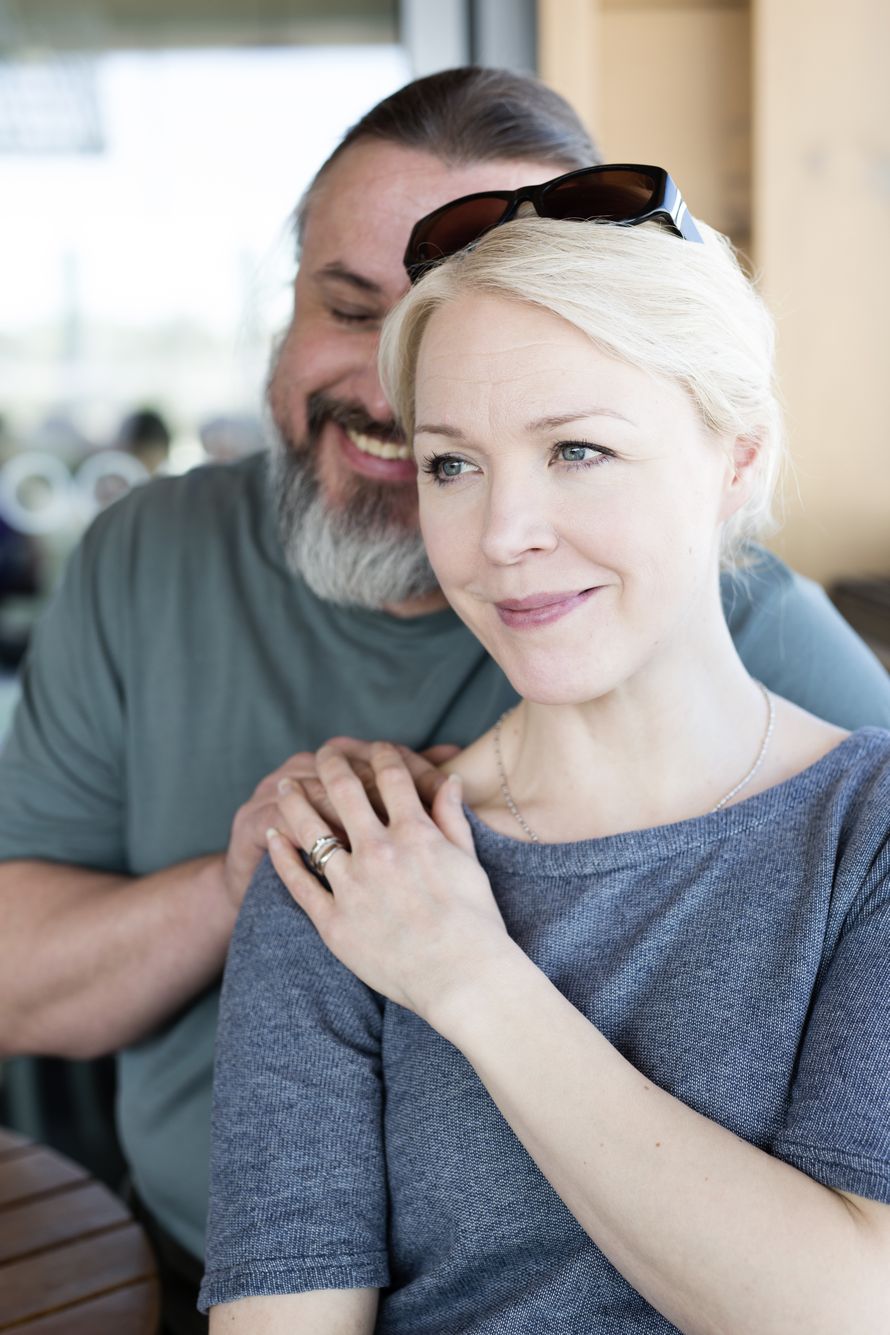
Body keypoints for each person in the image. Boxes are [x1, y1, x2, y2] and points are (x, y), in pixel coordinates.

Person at [0, 70, 887, 1335]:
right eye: (452, 463)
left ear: (734, 459)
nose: (503, 533)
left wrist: (464, 976)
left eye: (577, 448)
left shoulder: (857, 818)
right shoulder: (353, 864)